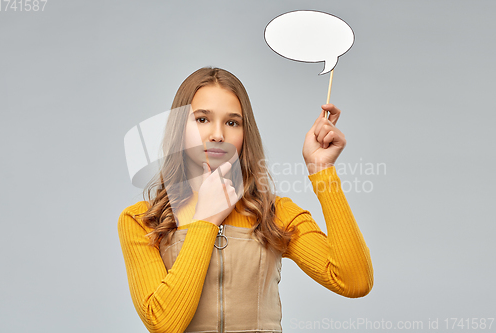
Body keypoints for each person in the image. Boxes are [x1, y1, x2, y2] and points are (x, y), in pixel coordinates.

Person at [118, 67, 373, 333]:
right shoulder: (141, 221)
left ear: (244, 133)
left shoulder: (275, 213)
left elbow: (354, 281)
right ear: (178, 129)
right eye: (202, 119)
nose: (218, 134)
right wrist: (206, 219)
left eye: (232, 122)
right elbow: (164, 324)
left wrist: (322, 171)